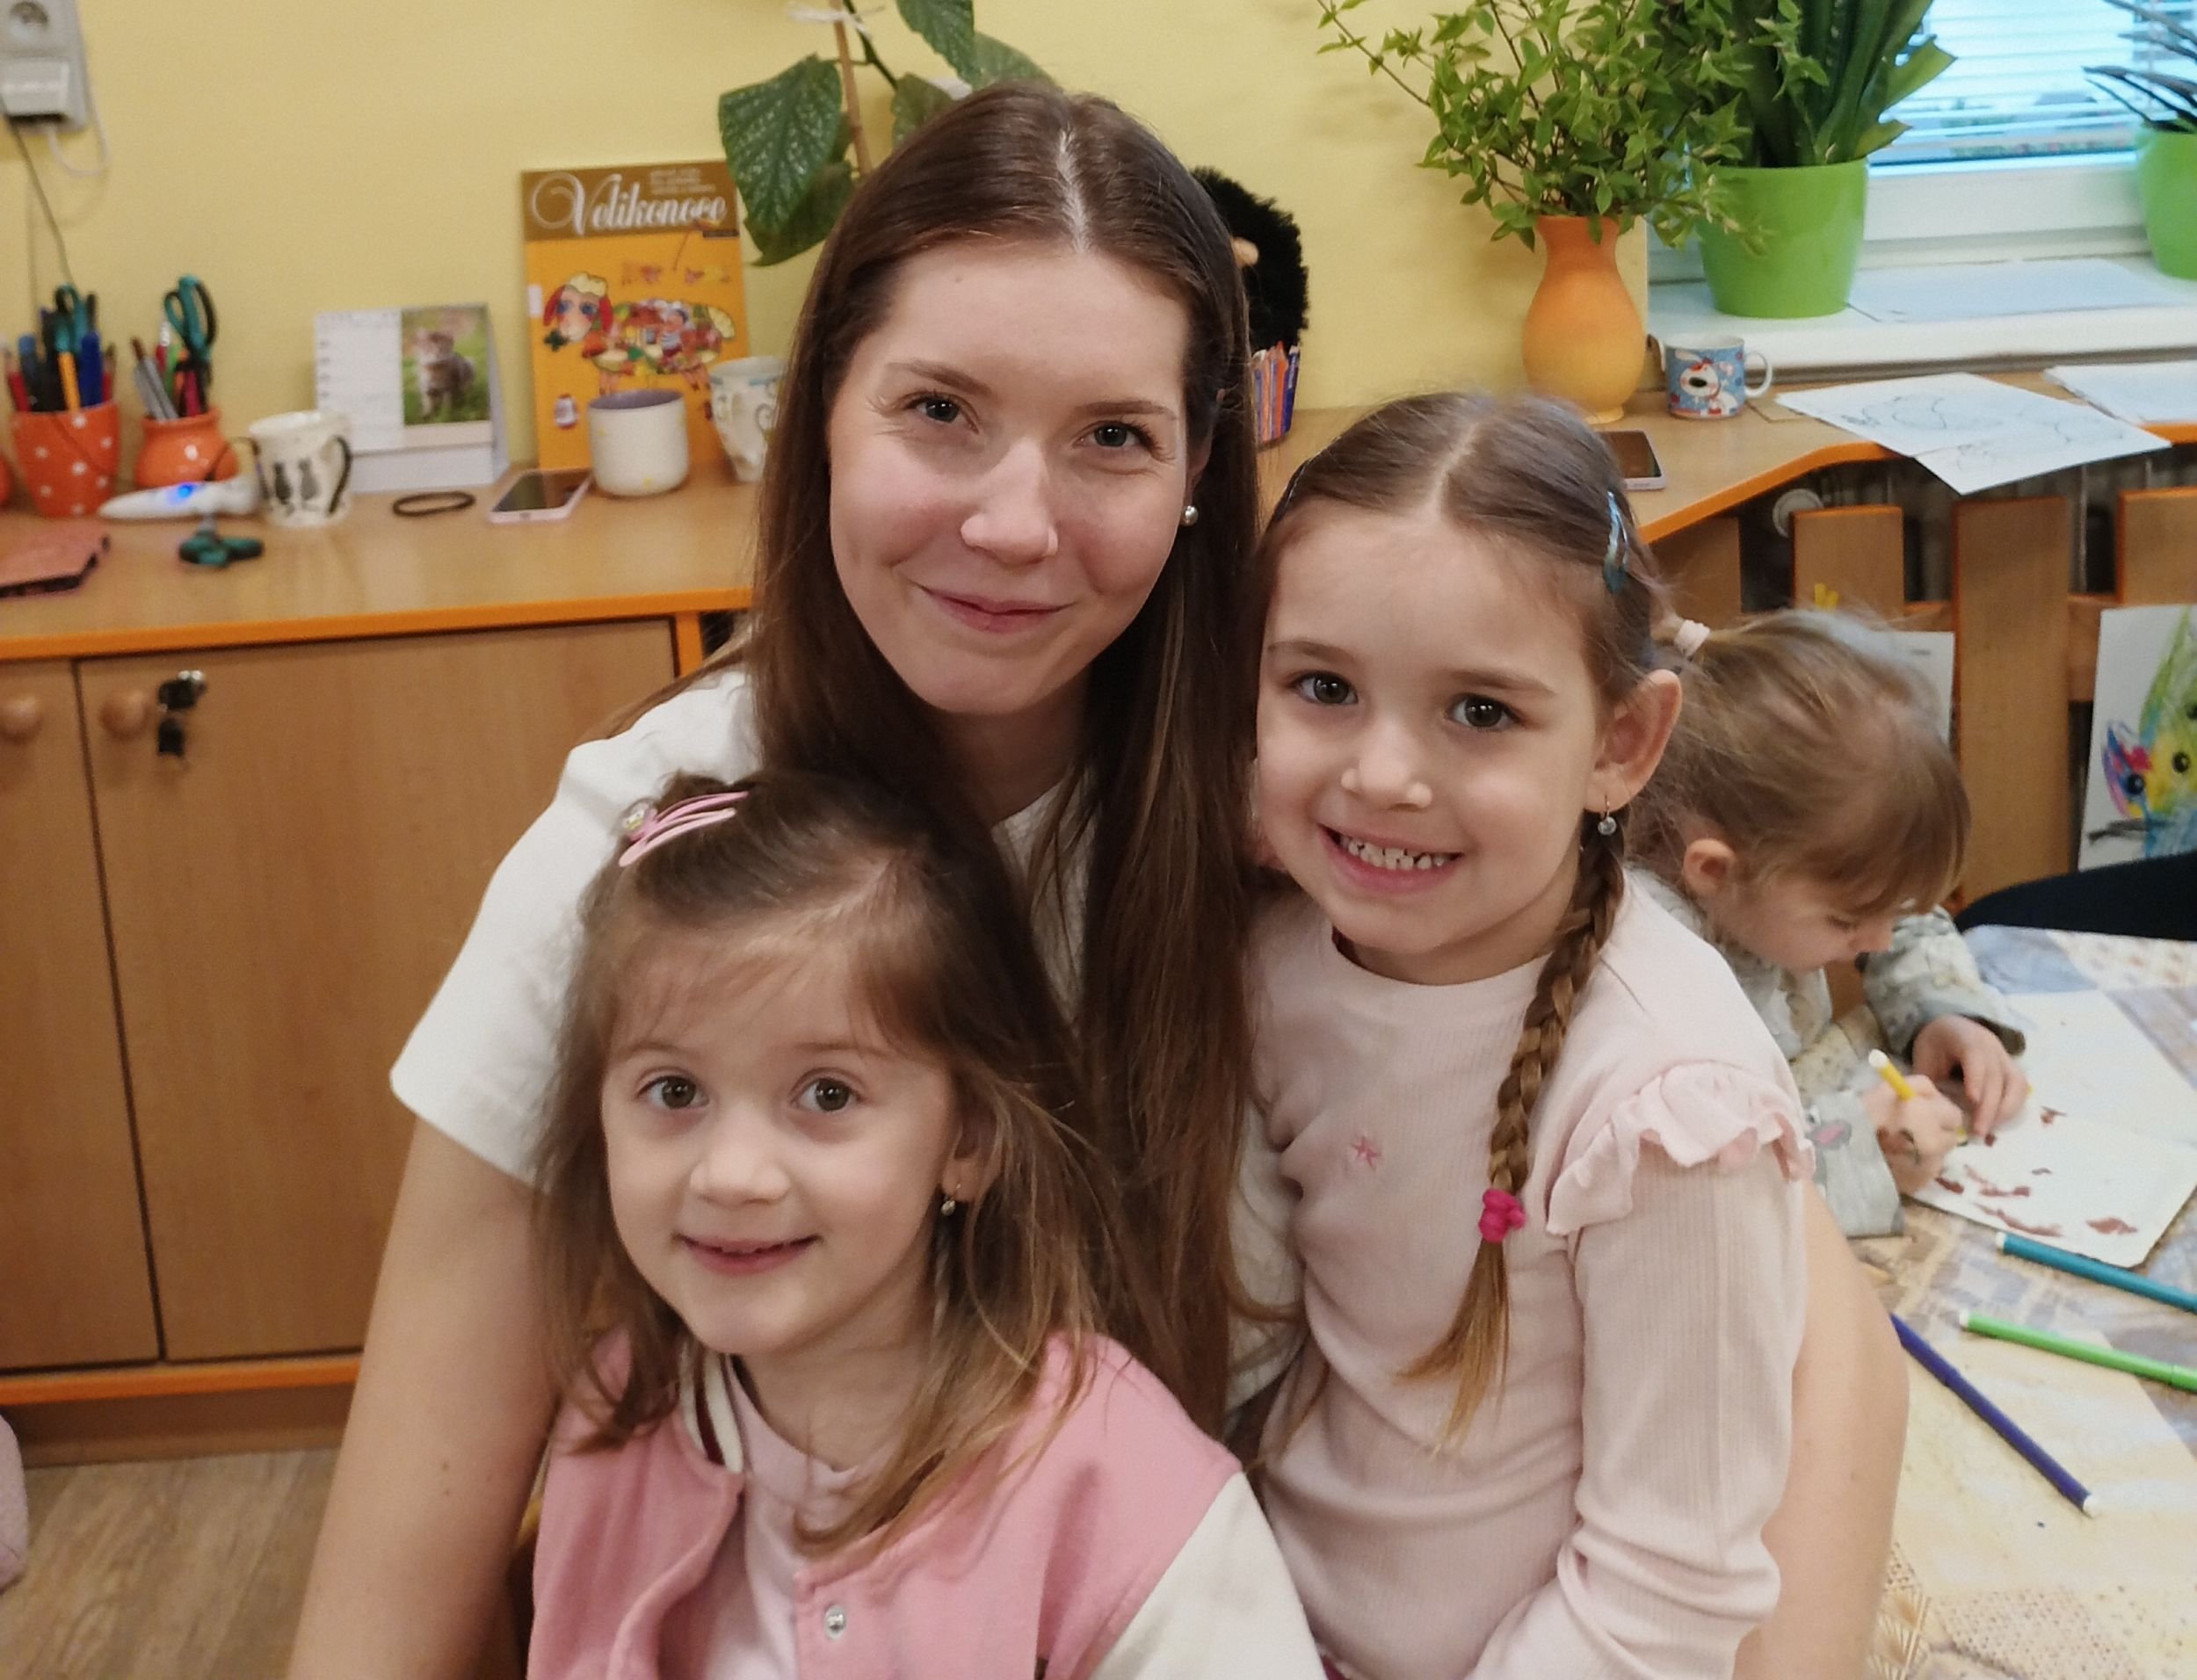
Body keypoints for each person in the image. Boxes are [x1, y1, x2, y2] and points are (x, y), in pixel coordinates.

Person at [287, 87, 1905, 1680]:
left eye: (1112, 439)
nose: (1012, 523)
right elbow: (400, 1567)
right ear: (818, 413)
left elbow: (1772, 1283)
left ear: (1199, 469)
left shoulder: (1310, 792)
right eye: (939, 411)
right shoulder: (660, 847)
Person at [526, 764, 1320, 1675]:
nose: (732, 1175)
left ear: (968, 1137)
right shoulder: (616, 1419)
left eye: (827, 1093)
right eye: (674, 1091)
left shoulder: (1106, 1469)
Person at [1249, 394, 1811, 1678]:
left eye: (1480, 712)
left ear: (1623, 743)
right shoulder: (1275, 957)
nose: (1382, 776)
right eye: (1324, 688)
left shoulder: (1671, 1111)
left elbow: (1667, 1591)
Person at [1627, 608, 2029, 1237]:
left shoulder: (1773, 880)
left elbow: (1895, 920)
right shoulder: (1646, 982)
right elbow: (1697, 1206)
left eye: (1892, 909)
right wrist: (1860, 1154)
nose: (1881, 939)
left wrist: (1944, 1013)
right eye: (1847, 920)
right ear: (1715, 870)